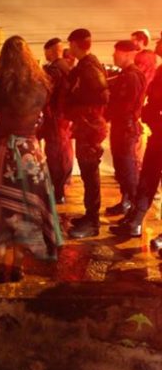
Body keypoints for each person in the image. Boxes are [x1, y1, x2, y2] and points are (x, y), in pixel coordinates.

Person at [0, 36, 62, 283]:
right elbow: (45, 120)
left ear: (4, 58)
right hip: (31, 151)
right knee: (25, 209)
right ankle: (16, 266)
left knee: (1, 208)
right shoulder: (41, 84)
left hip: (2, 149)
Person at [113, 36, 162, 240]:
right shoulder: (160, 72)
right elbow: (152, 102)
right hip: (158, 134)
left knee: (146, 178)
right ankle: (134, 222)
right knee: (147, 180)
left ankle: (137, 223)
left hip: (157, 132)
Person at [65, 28, 109, 239]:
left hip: (90, 129)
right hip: (86, 126)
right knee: (87, 174)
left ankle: (93, 222)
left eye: (70, 44)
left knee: (90, 175)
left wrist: (81, 112)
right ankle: (89, 216)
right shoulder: (85, 65)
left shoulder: (90, 67)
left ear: (75, 44)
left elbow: (103, 97)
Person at [105, 40, 146, 217]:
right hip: (121, 127)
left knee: (129, 171)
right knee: (121, 168)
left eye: (117, 52)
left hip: (126, 128)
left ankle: (134, 213)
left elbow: (126, 105)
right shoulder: (126, 74)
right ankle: (126, 202)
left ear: (128, 54)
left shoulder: (132, 76)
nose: (114, 55)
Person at [41, 38, 73, 204]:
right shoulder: (67, 67)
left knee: (55, 154)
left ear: (51, 50)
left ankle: (57, 191)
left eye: (46, 51)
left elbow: (45, 93)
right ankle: (62, 186)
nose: (45, 54)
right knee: (64, 152)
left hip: (54, 118)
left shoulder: (54, 70)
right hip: (64, 118)